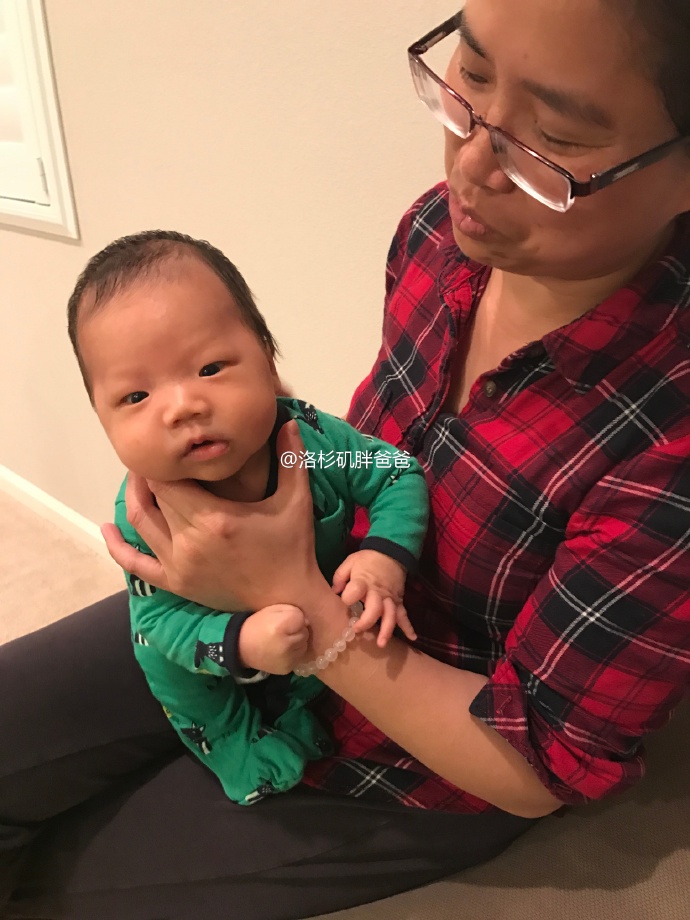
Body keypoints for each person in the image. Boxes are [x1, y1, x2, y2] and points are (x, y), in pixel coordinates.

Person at [2, 1, 690, 918]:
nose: (472, 165)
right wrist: (234, 453)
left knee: (56, 884)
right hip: (259, 590)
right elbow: (367, 453)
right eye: (471, 77)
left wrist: (294, 600)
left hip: (416, 756)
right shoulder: (439, 236)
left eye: (554, 139)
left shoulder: (666, 436)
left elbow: (540, 763)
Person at [66, 230, 428, 806]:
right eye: (135, 397)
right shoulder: (145, 511)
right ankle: (238, 753)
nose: (183, 406)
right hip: (205, 644)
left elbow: (393, 472)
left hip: (320, 625)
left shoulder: (305, 447)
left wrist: (383, 557)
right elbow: (161, 623)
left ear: (268, 357)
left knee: (317, 688)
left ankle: (302, 713)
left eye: (210, 368)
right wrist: (239, 642)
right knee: (180, 685)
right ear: (99, 417)